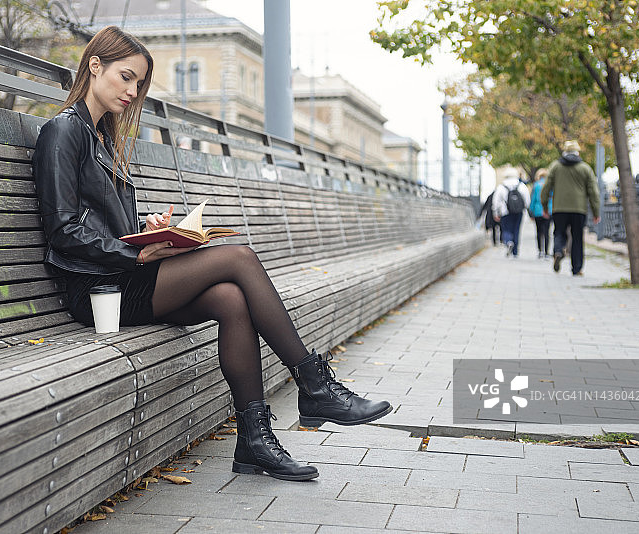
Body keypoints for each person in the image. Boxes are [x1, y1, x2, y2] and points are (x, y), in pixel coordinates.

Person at [32, 26, 391, 482]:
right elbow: (62, 230)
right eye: (126, 77)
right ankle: (315, 386)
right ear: (94, 66)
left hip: (120, 276)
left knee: (231, 299)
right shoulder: (63, 132)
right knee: (238, 258)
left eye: (139, 84)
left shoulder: (102, 136)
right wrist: (136, 256)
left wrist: (148, 230)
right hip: (99, 291)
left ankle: (254, 442)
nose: (132, 91)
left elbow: (99, 221)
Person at [541, 140, 600, 276]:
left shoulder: (555, 166)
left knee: (559, 232)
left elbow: (546, 188)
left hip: (559, 208)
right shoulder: (585, 168)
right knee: (577, 237)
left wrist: (544, 206)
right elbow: (593, 191)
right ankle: (577, 268)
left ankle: (558, 251)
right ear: (577, 152)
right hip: (579, 209)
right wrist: (596, 211)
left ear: (564, 151)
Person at [492, 166, 530, 257]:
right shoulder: (521, 185)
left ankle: (508, 241)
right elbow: (527, 199)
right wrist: (525, 208)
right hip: (518, 211)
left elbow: (496, 201)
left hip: (505, 211)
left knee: (506, 229)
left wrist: (495, 213)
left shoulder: (501, 186)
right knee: (516, 229)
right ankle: (515, 252)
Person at [529, 168, 553, 259]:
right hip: (548, 211)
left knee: (539, 231)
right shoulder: (550, 185)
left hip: (538, 211)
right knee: (547, 232)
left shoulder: (536, 185)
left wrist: (531, 211)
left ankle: (540, 251)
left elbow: (533, 200)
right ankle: (547, 252)